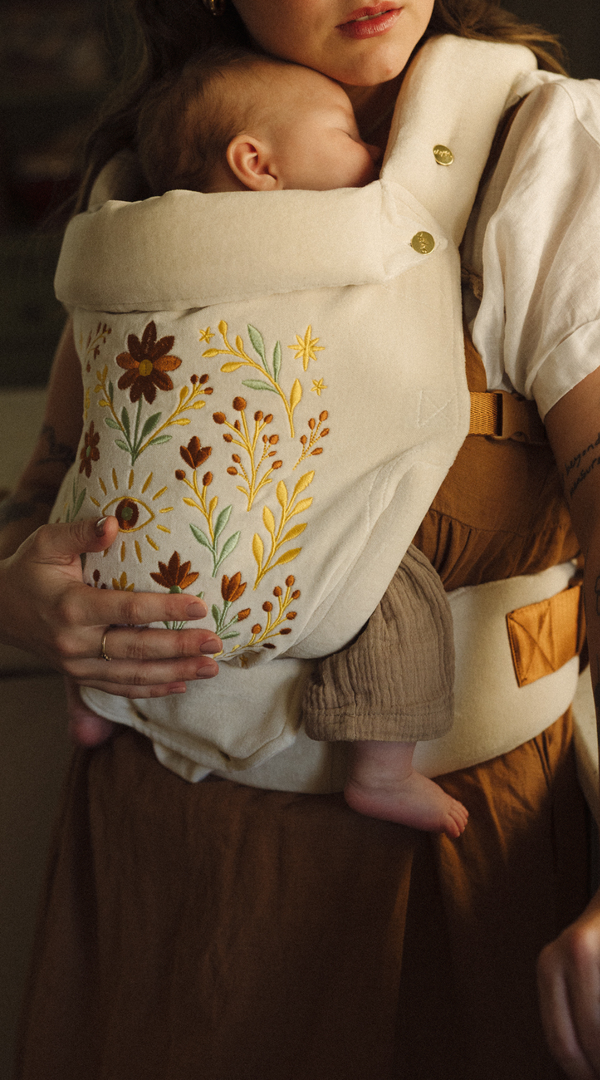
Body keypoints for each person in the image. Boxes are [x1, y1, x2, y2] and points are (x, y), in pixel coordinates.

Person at [4, 0, 600, 1077]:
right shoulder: (150, 181)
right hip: (162, 841)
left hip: (462, 850)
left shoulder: (540, 148)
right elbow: (52, 489)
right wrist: (16, 599)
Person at [63, 45, 465, 837]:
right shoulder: (348, 233)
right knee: (397, 590)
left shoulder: (119, 243)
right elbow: (405, 241)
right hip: (264, 550)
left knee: (87, 523)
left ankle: (94, 699)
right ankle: (381, 769)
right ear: (258, 164)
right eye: (345, 131)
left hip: (118, 553)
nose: (372, 150)